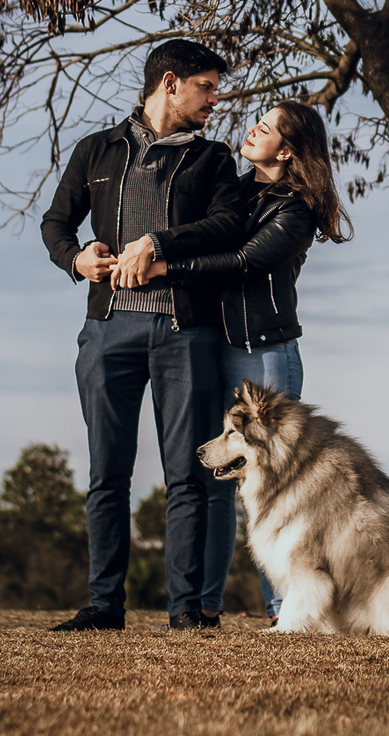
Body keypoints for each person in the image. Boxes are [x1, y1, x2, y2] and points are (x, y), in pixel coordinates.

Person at [113, 98, 351, 619]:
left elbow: (245, 261)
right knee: (220, 476)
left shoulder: (295, 208)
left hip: (263, 354)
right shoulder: (235, 191)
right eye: (257, 123)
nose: (252, 131)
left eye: (265, 128)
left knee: (276, 481)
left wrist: (165, 268)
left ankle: (283, 606)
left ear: (286, 151)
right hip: (211, 345)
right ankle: (204, 604)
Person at [40, 38, 243, 633]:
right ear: (170, 83)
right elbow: (56, 223)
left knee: (187, 476)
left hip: (186, 332)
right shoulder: (96, 150)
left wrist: (158, 242)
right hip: (108, 330)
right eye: (206, 88)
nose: (214, 100)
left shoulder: (213, 160)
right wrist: (75, 258)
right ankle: (105, 607)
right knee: (107, 475)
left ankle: (185, 612)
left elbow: (229, 225)